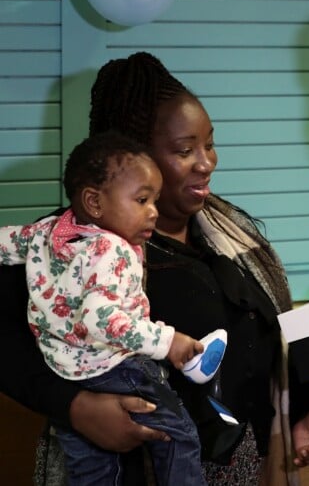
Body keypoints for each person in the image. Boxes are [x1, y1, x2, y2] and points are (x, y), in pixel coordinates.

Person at [1, 52, 309, 485]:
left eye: (209, 143)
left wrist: (304, 407)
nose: (207, 162)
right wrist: (75, 407)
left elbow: (263, 334)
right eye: (185, 151)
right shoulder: (70, 246)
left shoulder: (229, 229)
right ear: (132, 159)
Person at [0, 131, 207, 485]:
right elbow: (102, 318)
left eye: (154, 200)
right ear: (95, 203)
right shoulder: (113, 249)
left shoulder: (47, 232)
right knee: (178, 435)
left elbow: (5, 242)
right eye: (142, 200)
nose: (154, 212)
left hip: (66, 371)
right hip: (115, 365)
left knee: (91, 466)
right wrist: (168, 342)